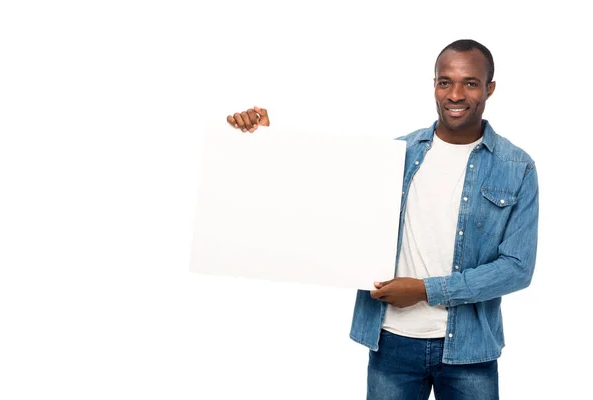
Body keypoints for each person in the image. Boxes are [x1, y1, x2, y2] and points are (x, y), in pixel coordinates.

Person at [225, 39, 538, 400]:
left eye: (469, 83)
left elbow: (517, 268)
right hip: (391, 341)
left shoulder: (516, 167)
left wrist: (425, 290)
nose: (455, 94)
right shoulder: (395, 155)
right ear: (434, 85)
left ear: (489, 88)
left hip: (469, 349)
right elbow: (322, 205)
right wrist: (268, 143)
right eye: (444, 82)